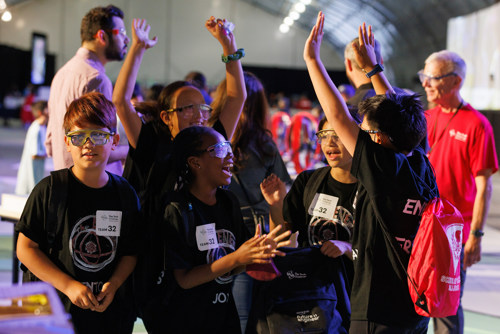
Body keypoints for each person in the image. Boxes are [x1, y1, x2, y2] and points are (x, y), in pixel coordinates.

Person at [304, 12, 438, 333]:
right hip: (416, 307)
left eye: (364, 128)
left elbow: (336, 113)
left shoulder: (382, 170)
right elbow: (400, 118)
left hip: (378, 310)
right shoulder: (421, 165)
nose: (358, 131)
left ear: (377, 139)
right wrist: (373, 69)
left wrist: (312, 59)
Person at [16, 92, 140, 334]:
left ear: (114, 141)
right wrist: (69, 286)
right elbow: (25, 248)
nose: (88, 143)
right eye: (78, 136)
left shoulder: (125, 194)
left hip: (108, 314)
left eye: (98, 135)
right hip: (55, 312)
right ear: (66, 142)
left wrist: (113, 285)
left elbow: (131, 251)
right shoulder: (49, 190)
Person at [162, 125, 290, 333]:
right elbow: (184, 280)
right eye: (220, 150)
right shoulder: (177, 208)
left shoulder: (227, 201)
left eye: (229, 148)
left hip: (223, 318)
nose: (230, 157)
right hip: (187, 321)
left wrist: (275, 207)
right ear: (195, 163)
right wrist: (238, 258)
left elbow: (239, 263)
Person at [113, 17, 245, 196]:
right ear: (166, 117)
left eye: (203, 108)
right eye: (189, 108)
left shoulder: (212, 143)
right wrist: (138, 48)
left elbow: (237, 98)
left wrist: (229, 46)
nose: (199, 116)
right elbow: (121, 100)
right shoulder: (150, 141)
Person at [420, 50, 498, 334]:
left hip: (454, 236)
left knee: (446, 309)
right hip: (420, 229)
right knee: (412, 301)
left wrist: (475, 235)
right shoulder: (425, 118)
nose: (426, 83)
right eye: (424, 76)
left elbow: (484, 188)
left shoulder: (477, 125)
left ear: (455, 82)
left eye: (433, 78)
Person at [209, 71, 291, 332]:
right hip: (256, 239)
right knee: (251, 317)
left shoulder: (209, 140)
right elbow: (280, 194)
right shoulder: (265, 145)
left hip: (215, 239)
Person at [45, 5, 129, 175]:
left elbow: (50, 144)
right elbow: (103, 147)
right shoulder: (96, 78)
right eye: (121, 32)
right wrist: (132, 150)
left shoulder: (61, 74)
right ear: (102, 36)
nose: (126, 39)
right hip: (91, 187)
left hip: (65, 179)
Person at [15, 100, 48, 195]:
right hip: (31, 173)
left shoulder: (42, 127)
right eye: (47, 109)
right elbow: (34, 154)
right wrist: (49, 154)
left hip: (36, 172)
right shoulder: (36, 129)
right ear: (40, 112)